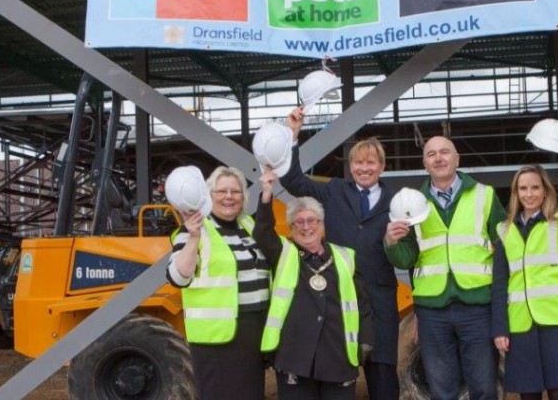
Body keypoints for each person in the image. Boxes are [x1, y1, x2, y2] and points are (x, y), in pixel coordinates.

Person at [282, 106, 401, 400]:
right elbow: (293, 181)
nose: (364, 168)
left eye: (371, 163)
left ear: (382, 166)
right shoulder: (335, 190)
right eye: (358, 163)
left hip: (381, 301)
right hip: (338, 300)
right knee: (336, 376)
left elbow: (410, 251)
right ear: (351, 166)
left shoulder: (398, 201)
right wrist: (292, 137)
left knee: (383, 378)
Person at [384, 135, 506, 400]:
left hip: (477, 306)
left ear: (457, 158)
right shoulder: (413, 204)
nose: (438, 158)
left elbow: (506, 250)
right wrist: (391, 242)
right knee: (442, 390)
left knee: (484, 386)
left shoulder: (485, 196)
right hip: (432, 311)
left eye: (444, 152)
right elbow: (405, 259)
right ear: (424, 164)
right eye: (431, 154)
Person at [254, 168, 375, 400]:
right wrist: (266, 194)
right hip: (294, 358)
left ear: (322, 225)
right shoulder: (284, 252)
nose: (306, 226)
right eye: (298, 222)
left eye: (312, 220)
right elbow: (262, 232)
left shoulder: (345, 256)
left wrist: (367, 338)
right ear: (290, 229)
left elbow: (363, 304)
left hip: (338, 355)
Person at [492, 145, 558, 400]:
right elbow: (500, 284)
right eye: (523, 188)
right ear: (515, 192)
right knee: (529, 394)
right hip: (521, 325)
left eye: (535, 187)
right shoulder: (505, 231)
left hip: (556, 322)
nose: (529, 194)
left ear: (546, 190)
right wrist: (500, 328)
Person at [166, 166, 270, 400]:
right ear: (208, 195)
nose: (229, 197)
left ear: (243, 196)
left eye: (236, 191)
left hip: (252, 331)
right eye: (221, 191)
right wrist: (193, 238)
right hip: (216, 337)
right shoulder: (195, 230)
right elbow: (177, 277)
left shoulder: (248, 226)